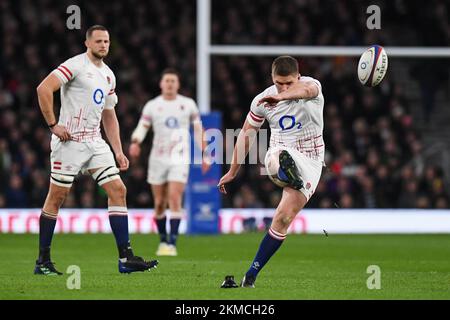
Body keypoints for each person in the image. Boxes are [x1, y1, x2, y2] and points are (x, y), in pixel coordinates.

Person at [34, 25, 158, 275]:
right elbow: (43, 89)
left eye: (107, 41)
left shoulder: (109, 75)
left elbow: (109, 115)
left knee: (118, 190)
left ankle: (126, 259)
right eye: (99, 41)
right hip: (70, 141)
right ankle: (43, 261)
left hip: (94, 141)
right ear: (87, 43)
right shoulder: (75, 65)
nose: (103, 45)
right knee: (57, 197)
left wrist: (118, 150)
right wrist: (52, 124)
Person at [218, 56, 325, 288]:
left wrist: (281, 96)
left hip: (312, 160)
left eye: (289, 83)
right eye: (279, 83)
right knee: (275, 159)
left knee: (283, 218)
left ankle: (250, 276)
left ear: (298, 76)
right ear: (271, 78)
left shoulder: (312, 86)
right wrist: (232, 171)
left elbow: (305, 91)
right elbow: (246, 136)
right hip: (280, 150)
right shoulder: (262, 101)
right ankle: (284, 172)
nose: (284, 87)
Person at [129, 69, 210, 257]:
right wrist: (135, 142)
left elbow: (199, 130)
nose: (170, 84)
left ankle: (172, 243)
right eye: (167, 80)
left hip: (179, 158)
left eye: (173, 80)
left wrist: (205, 153)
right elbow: (143, 126)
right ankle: (163, 240)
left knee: (174, 198)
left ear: (178, 84)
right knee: (159, 203)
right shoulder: (152, 105)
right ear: (161, 84)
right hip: (158, 158)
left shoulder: (188, 104)